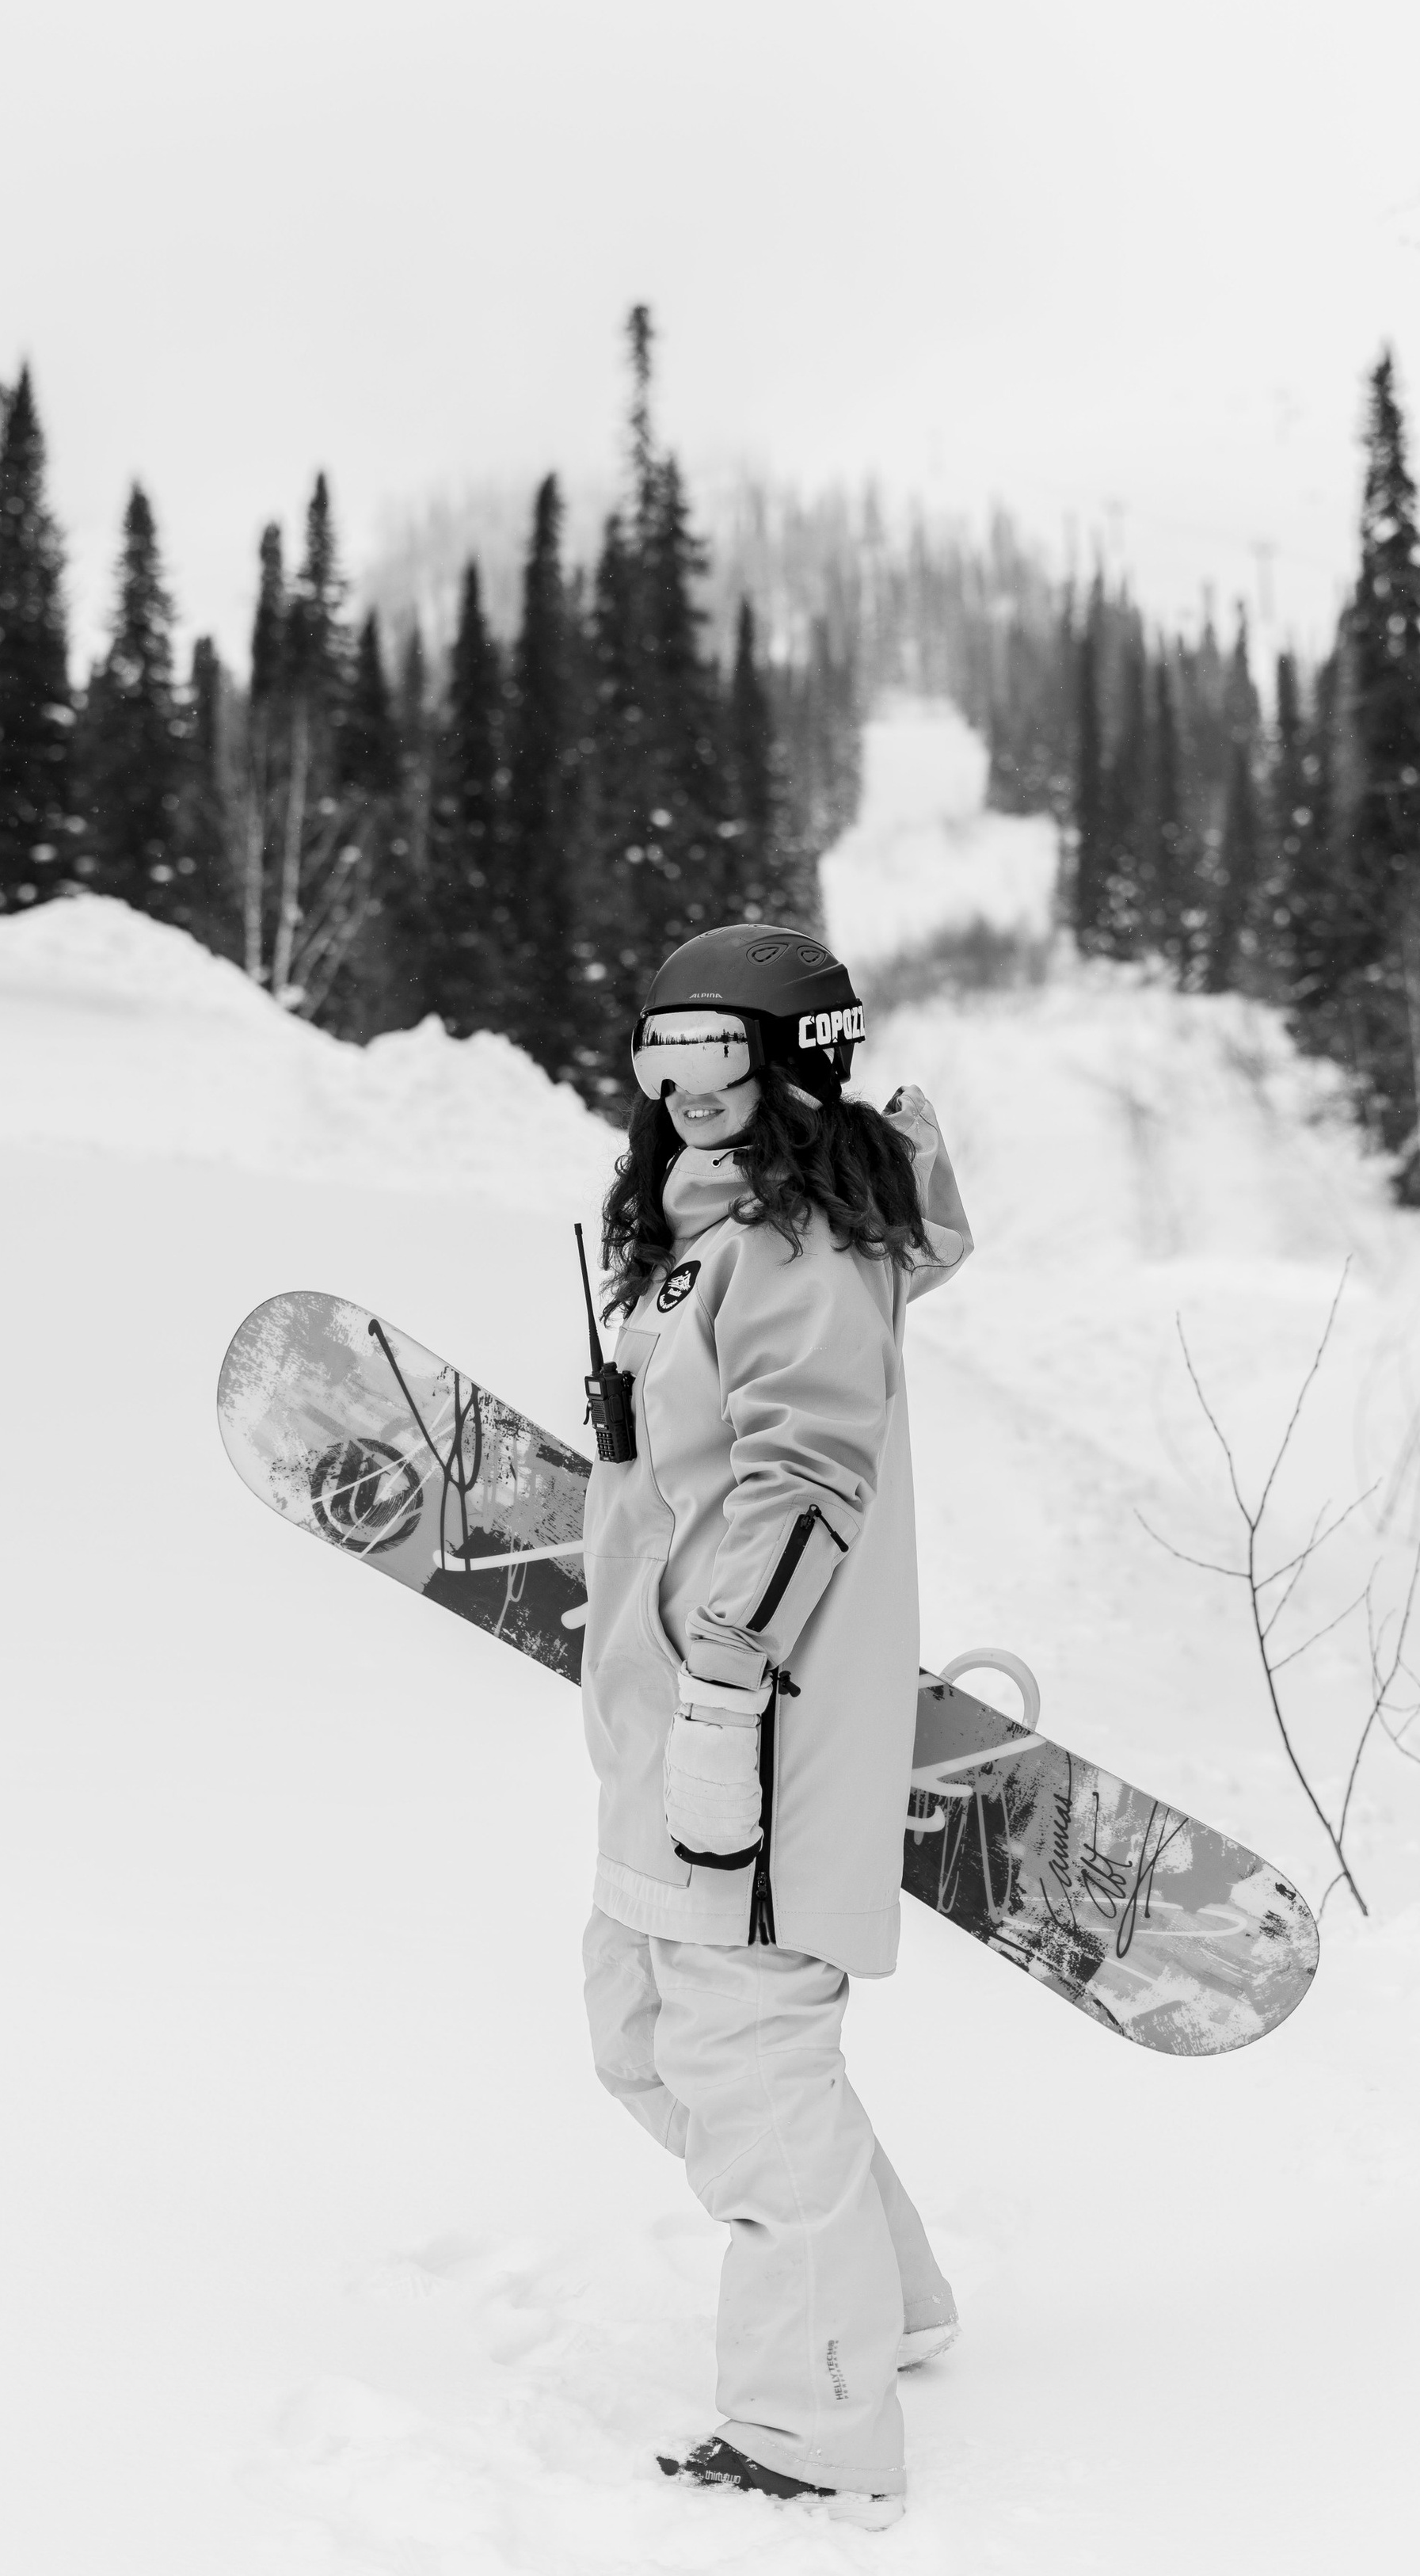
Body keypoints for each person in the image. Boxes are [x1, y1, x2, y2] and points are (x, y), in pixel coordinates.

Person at [579, 921, 973, 2532]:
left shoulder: (797, 1244)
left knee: (742, 2057)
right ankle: (888, 2298)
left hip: (746, 1729)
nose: (683, 1090)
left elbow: (803, 1475)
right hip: (660, 1716)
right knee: (638, 2036)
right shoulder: (696, 1230)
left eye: (716, 1056)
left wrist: (725, 1690)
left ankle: (812, 2431)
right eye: (658, 1054)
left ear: (794, 1064)